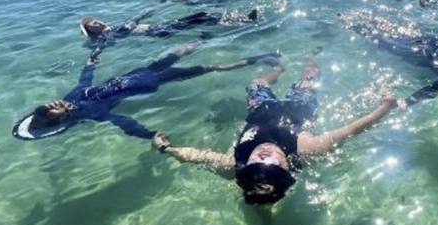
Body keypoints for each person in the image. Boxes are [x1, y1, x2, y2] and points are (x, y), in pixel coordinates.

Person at [152, 49, 400, 206]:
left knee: (256, 83)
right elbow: (352, 129)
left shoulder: (234, 166)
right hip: (297, 112)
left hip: (262, 112)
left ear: (245, 171)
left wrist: (166, 150)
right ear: (289, 169)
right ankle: (311, 58)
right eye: (274, 164)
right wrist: (385, 108)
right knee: (307, 82)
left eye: (256, 164)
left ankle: (278, 69)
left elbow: (198, 157)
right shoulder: (307, 149)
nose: (264, 157)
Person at [13, 41, 277, 141]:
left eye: (47, 104)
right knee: (210, 67)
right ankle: (258, 58)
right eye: (51, 110)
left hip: (138, 73)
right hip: (149, 83)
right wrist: (149, 135)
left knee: (185, 48)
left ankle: (209, 36)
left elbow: (84, 82)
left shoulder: (72, 99)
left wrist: (90, 62)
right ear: (57, 118)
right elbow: (122, 122)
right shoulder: (90, 113)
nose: (52, 104)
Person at [79, 8, 258, 60]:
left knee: (202, 15)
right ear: (91, 31)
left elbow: (135, 19)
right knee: (202, 18)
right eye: (92, 25)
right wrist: (94, 56)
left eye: (95, 20)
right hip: (161, 32)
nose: (96, 23)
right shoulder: (106, 36)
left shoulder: (113, 26)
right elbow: (100, 48)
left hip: (163, 26)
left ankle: (241, 18)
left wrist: (148, 12)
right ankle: (245, 21)